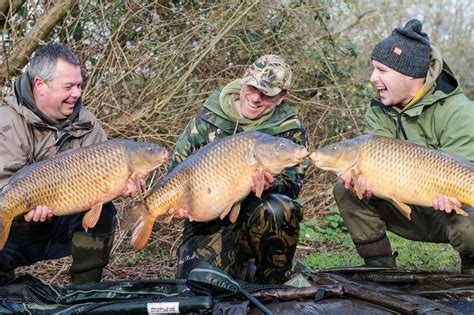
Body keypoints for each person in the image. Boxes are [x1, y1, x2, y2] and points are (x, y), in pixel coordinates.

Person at [333, 19, 474, 272]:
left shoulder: (459, 111)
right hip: (406, 207)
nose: (372, 78)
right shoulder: (379, 109)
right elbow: (377, 163)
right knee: (346, 189)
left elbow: (464, 169)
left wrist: (450, 194)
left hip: (450, 211)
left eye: (381, 70)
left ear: (410, 74)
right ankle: (380, 268)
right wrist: (365, 184)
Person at [0, 43, 138, 285]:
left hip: (62, 224)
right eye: (69, 86)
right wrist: (26, 210)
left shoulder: (88, 124)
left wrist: (121, 184)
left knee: (104, 208)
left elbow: (104, 181)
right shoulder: (6, 125)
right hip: (15, 231)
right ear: (40, 85)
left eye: (79, 85)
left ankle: (85, 292)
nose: (77, 93)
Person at [169, 55, 310, 284]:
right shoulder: (207, 118)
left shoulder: (289, 130)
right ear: (245, 75)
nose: (255, 98)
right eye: (253, 87)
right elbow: (177, 169)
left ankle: (270, 285)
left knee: (280, 208)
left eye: (266, 94)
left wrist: (270, 184)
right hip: (208, 223)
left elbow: (293, 185)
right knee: (202, 288)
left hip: (256, 218)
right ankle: (240, 271)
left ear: (281, 97)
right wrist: (180, 202)